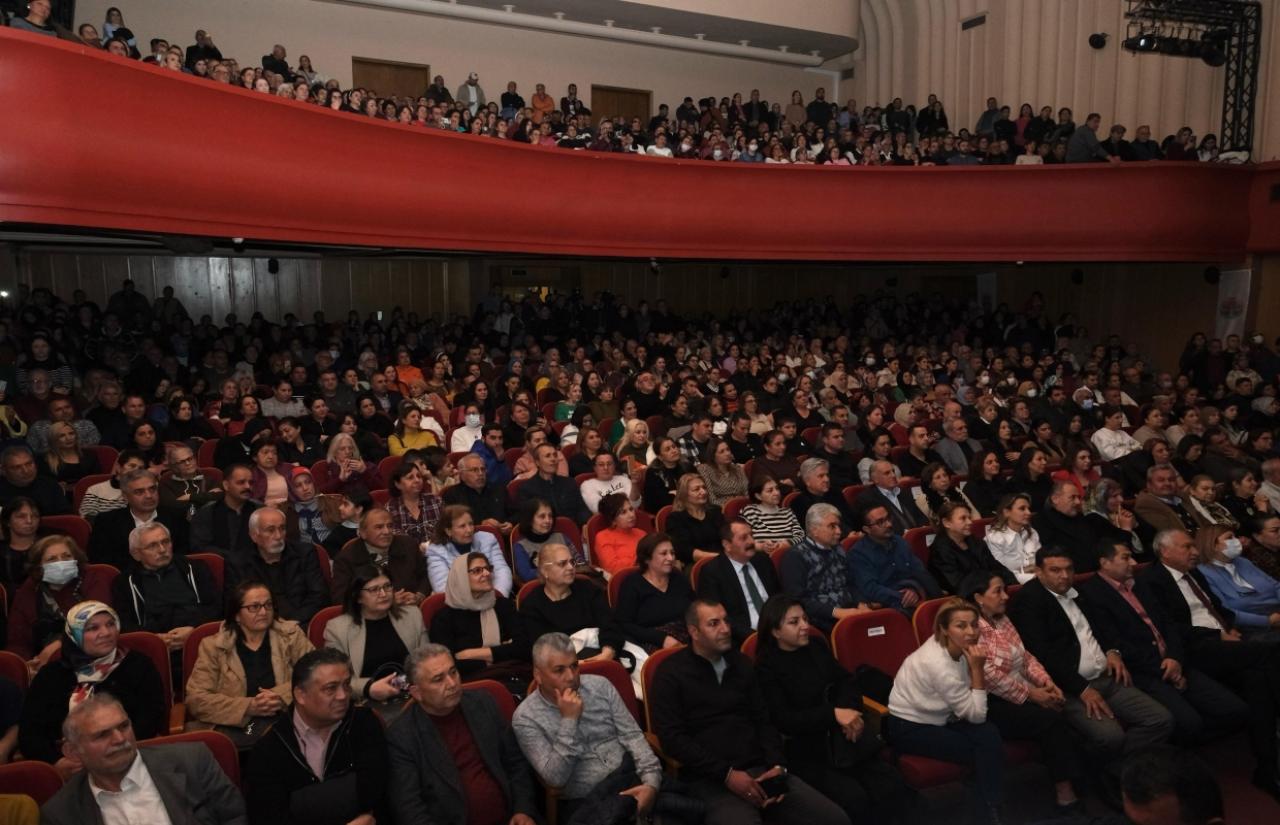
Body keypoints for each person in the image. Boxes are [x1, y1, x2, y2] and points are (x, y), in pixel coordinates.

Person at [650, 599, 851, 825]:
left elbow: (764, 720)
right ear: (694, 632)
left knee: (835, 819)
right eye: (714, 624)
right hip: (710, 779)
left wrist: (777, 766)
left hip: (761, 770)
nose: (725, 629)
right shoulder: (671, 674)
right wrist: (727, 775)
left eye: (726, 621)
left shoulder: (741, 664)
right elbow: (672, 739)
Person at [1138, 529, 1280, 798]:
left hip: (1222, 640)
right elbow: (1170, 627)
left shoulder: (1193, 573)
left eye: (1193, 546)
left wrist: (1228, 627)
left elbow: (1217, 608)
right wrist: (1217, 635)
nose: (1194, 552)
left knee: (1257, 678)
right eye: (1186, 547)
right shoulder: (1151, 581)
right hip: (1195, 646)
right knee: (1270, 653)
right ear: (1165, 551)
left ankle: (1267, 766)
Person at [1007, 547, 1174, 762]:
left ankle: (1119, 768)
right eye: (1055, 570)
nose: (1064, 575)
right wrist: (1082, 689)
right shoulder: (1028, 601)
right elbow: (1043, 655)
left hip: (1108, 678)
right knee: (1111, 737)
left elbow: (1103, 628)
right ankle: (1109, 770)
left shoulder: (1078, 592)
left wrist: (1112, 651)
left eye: (1069, 569)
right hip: (1071, 688)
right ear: (1039, 572)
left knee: (1161, 720)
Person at [1079, 539, 1250, 750]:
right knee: (1189, 723)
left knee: (1235, 709)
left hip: (1174, 659)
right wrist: (1165, 669)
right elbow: (1114, 642)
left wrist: (1175, 658)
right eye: (1125, 557)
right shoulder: (1092, 594)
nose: (1132, 562)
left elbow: (1168, 624)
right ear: (1105, 562)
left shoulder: (1138, 584)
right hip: (1145, 671)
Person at [754, 595, 909, 824]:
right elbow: (783, 719)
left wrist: (850, 714)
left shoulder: (816, 646)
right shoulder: (766, 667)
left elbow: (846, 681)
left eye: (805, 619)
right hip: (808, 749)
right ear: (775, 631)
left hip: (844, 738)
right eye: (794, 622)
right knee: (854, 798)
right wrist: (834, 715)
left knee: (891, 784)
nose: (805, 626)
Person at [961, 572, 1089, 814]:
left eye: (1004, 590)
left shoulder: (1002, 619)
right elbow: (988, 676)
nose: (1005, 596)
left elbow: (1025, 657)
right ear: (978, 597)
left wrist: (1046, 683)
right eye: (997, 591)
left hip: (1021, 689)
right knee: (1050, 720)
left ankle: (1078, 781)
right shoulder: (968, 627)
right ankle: (1065, 792)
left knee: (1061, 710)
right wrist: (1032, 694)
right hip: (988, 700)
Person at [513, 632, 665, 821]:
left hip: (631, 778)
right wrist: (569, 721)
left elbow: (633, 737)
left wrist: (651, 783)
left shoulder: (600, 686)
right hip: (588, 801)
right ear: (538, 675)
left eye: (574, 666)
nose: (571, 677)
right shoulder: (525, 718)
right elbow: (556, 778)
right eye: (559, 670)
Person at [386, 645, 540, 825]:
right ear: (417, 693)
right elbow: (410, 809)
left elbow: (516, 762)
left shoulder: (483, 703)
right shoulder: (402, 736)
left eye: (453, 672)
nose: (452, 683)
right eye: (438, 679)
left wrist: (523, 810)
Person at [41, 693, 247, 825]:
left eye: (124, 726)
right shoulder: (61, 814)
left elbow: (235, 818)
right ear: (73, 751)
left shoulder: (192, 761)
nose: (120, 739)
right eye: (102, 735)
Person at [887, 598, 1003, 824]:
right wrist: (977, 670)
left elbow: (973, 709)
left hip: (944, 716)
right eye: (961, 626)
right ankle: (989, 810)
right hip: (909, 726)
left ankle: (988, 806)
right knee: (981, 750)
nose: (971, 632)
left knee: (989, 735)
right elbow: (977, 715)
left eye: (974, 624)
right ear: (944, 629)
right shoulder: (938, 664)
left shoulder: (958, 647)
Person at [245, 648, 390, 825]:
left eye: (346, 684)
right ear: (300, 695)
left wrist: (299, 801)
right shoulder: (268, 749)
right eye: (331, 688)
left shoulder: (363, 723)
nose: (343, 695)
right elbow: (268, 818)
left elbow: (374, 794)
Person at [19, 602, 166, 771]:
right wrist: (57, 762)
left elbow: (150, 718)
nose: (106, 633)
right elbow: (30, 733)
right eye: (93, 628)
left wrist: (106, 753)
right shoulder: (51, 675)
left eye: (110, 624)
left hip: (126, 757)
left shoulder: (138, 665)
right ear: (74, 634)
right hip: (69, 767)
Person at [185, 581, 314, 736]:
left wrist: (282, 696)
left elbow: (315, 675)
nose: (263, 612)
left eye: (268, 605)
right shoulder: (213, 646)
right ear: (237, 615)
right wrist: (248, 706)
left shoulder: (291, 635)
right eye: (254, 607)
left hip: (285, 719)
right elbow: (196, 700)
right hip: (235, 728)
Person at [6, 535, 114, 672]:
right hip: (42, 664)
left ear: (76, 559)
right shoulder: (30, 589)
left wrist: (57, 645)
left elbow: (95, 623)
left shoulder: (94, 577)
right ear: (39, 567)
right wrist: (25, 666)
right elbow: (18, 640)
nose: (61, 563)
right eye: (52, 559)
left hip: (94, 655)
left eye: (66, 556)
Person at [323, 565, 428, 702]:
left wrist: (399, 685)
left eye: (387, 586)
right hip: (365, 701)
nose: (383, 594)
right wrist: (368, 688)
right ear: (358, 597)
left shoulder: (412, 615)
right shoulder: (337, 629)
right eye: (374, 590)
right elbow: (335, 679)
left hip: (412, 696)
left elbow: (427, 663)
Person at [112, 523, 219, 652]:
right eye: (152, 546)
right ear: (136, 554)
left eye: (165, 542)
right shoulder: (125, 582)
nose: (162, 549)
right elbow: (124, 623)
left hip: (200, 639)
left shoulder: (195, 568)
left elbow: (216, 607)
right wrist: (153, 639)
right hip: (152, 647)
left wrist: (195, 630)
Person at [431, 553, 530, 683]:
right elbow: (448, 665)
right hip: (472, 684)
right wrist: (501, 653)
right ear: (461, 577)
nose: (487, 573)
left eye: (488, 568)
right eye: (477, 571)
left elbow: (525, 648)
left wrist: (470, 654)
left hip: (514, 675)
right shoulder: (444, 618)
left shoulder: (503, 606)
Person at [223, 508, 328, 627]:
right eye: (270, 530)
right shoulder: (237, 563)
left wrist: (291, 624)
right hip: (258, 627)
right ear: (254, 536)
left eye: (282, 528)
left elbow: (319, 596)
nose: (278, 536)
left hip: (301, 624)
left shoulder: (305, 553)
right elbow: (233, 606)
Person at [520, 542, 622, 663]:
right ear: (544, 571)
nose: (570, 567)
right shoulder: (532, 605)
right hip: (561, 666)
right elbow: (541, 649)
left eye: (572, 562)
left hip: (603, 655)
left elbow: (610, 624)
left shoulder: (588, 589)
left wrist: (608, 652)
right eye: (562, 563)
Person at [781, 504, 869, 632]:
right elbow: (797, 600)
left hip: (850, 611)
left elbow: (851, 582)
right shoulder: (795, 556)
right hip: (820, 620)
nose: (839, 531)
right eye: (832, 526)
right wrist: (836, 612)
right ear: (814, 530)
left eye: (838, 526)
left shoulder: (838, 549)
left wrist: (861, 603)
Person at [87, 467, 191, 568]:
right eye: (139, 492)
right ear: (125, 496)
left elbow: (184, 554)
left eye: (152, 489)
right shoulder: (107, 522)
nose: (149, 495)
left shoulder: (176, 516)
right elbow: (100, 560)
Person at [848, 504, 941, 614]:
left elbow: (920, 571)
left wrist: (936, 599)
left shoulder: (900, 542)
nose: (889, 524)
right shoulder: (858, 554)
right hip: (888, 607)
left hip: (915, 595)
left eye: (888, 518)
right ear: (867, 529)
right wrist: (903, 597)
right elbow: (871, 589)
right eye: (880, 522)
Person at [331, 506, 430, 604]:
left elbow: (426, 575)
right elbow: (340, 598)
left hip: (410, 607)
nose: (386, 532)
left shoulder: (408, 545)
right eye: (379, 527)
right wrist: (386, 601)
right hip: (369, 612)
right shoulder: (347, 558)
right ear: (363, 533)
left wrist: (419, 595)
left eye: (390, 526)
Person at [615, 532, 694, 652]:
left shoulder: (678, 577)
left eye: (672, 553)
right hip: (650, 642)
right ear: (647, 559)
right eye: (664, 553)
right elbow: (624, 624)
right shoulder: (632, 584)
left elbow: (695, 607)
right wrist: (661, 639)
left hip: (686, 635)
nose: (671, 558)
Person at [1194, 523, 1280, 632]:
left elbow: (1276, 586)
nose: (1237, 541)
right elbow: (1226, 611)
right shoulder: (1204, 573)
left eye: (1235, 537)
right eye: (1229, 538)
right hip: (1254, 629)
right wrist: (1267, 621)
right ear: (1213, 545)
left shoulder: (1242, 561)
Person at [425, 504, 513, 596]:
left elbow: (502, 572)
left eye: (470, 524)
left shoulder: (487, 539)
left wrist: (497, 596)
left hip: (493, 595)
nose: (469, 530)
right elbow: (443, 587)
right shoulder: (436, 551)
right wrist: (474, 601)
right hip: (458, 601)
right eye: (462, 526)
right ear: (448, 531)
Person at [927, 501, 1015, 594]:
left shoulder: (975, 542)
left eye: (969, 518)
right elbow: (958, 584)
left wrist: (1013, 584)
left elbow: (996, 567)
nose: (969, 522)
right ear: (947, 523)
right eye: (963, 518)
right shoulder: (940, 551)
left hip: (990, 590)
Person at [190, 463, 259, 558]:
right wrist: (233, 558)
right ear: (226, 485)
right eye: (241, 482)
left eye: (251, 483)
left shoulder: (259, 511)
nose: (247, 486)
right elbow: (200, 547)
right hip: (219, 563)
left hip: (254, 563)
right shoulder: (207, 512)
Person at [517, 443, 591, 525]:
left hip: (572, 528)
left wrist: (585, 524)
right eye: (548, 456)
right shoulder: (527, 489)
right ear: (537, 462)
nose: (553, 459)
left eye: (555, 455)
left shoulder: (569, 483)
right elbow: (528, 520)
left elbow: (582, 509)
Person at [442, 452, 511, 531]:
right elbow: (453, 524)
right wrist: (481, 524)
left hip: (503, 535)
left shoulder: (498, 489)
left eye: (483, 469)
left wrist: (510, 523)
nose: (480, 473)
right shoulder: (452, 495)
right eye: (474, 470)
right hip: (471, 536)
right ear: (462, 475)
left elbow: (515, 513)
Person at [983, 493, 1042, 584]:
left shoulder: (1031, 532)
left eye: (1028, 508)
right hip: (1014, 583)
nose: (1028, 513)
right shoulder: (993, 539)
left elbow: (1041, 560)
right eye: (1022, 508)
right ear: (1007, 512)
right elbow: (1003, 573)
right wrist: (1030, 572)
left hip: (1039, 577)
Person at [666, 474, 725, 566]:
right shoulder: (676, 519)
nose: (703, 492)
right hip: (696, 564)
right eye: (696, 489)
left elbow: (728, 536)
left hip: (723, 558)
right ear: (684, 495)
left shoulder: (715, 511)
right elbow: (684, 550)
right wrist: (720, 558)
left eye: (704, 487)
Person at [855, 460, 927, 533]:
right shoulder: (867, 498)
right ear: (875, 479)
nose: (893, 475)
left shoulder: (904, 492)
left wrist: (922, 529)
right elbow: (879, 527)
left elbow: (919, 515)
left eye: (893, 471)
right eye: (887, 473)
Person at [739, 476, 805, 549]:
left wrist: (788, 543)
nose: (776, 493)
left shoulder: (787, 512)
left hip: (787, 553)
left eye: (777, 488)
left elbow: (800, 536)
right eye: (770, 491)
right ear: (758, 496)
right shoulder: (749, 512)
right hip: (761, 554)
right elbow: (741, 539)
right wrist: (761, 546)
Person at [0, 444, 68, 515]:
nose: (26, 471)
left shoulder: (50, 485)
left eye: (29, 464)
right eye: (17, 467)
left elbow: (65, 516)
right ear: (3, 470)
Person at [592, 492, 647, 578]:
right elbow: (614, 569)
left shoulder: (641, 533)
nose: (631, 515)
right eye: (623, 512)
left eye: (631, 509)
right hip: (623, 580)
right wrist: (640, 558)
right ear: (613, 520)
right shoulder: (603, 537)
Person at [385, 462, 441, 544]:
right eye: (410, 477)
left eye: (419, 476)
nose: (417, 480)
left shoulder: (435, 501)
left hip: (437, 549)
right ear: (398, 484)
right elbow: (395, 541)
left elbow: (446, 530)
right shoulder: (391, 509)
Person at [159, 442, 220, 513]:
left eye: (190, 459)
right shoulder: (166, 480)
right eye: (182, 462)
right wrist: (206, 497)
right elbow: (171, 506)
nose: (188, 463)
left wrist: (190, 497)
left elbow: (221, 496)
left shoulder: (212, 474)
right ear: (174, 466)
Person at [913, 461, 978, 523]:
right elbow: (932, 522)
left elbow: (974, 513)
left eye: (945, 475)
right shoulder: (924, 498)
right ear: (929, 483)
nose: (944, 480)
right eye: (938, 477)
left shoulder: (956, 490)